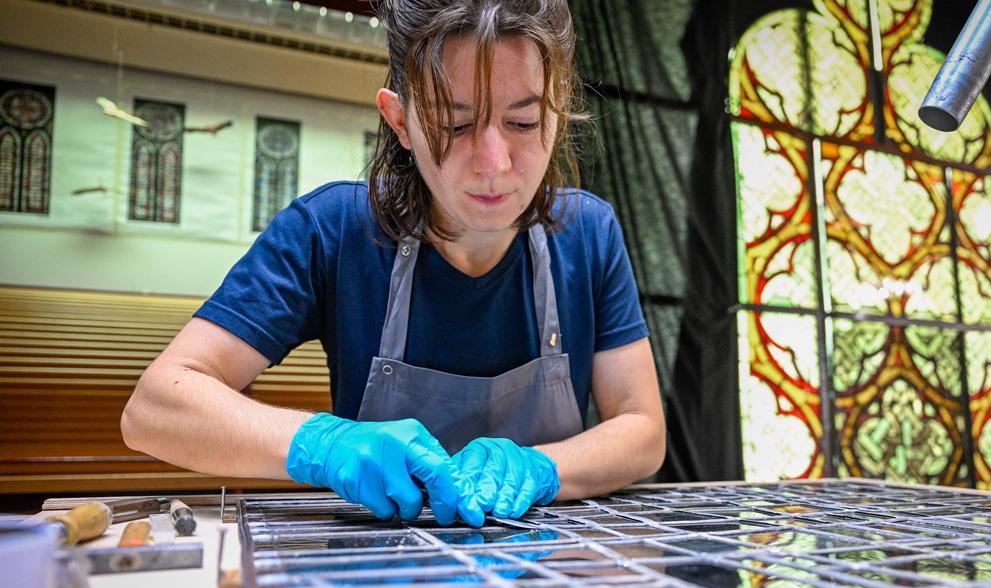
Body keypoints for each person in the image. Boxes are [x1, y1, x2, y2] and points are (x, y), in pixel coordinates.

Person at [120, 0, 665, 527]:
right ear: (399, 121)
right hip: (381, 585)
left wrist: (545, 468)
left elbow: (642, 430)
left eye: (523, 122)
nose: (494, 165)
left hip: (541, 574)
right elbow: (156, 408)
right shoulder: (331, 230)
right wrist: (325, 444)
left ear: (557, 108)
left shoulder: (589, 235)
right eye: (454, 126)